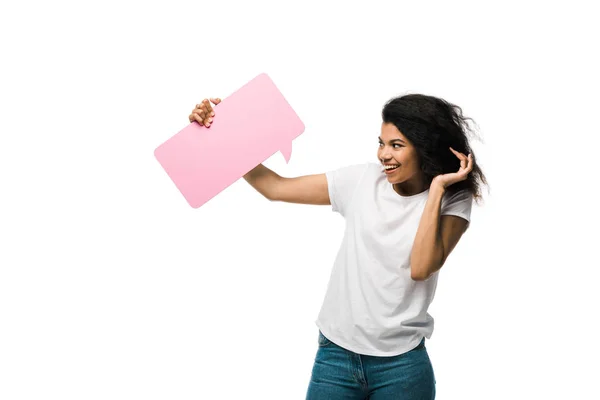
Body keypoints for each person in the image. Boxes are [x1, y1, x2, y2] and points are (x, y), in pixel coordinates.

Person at [188, 93, 488, 400]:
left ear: (425, 148)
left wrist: (437, 188)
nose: (383, 154)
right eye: (381, 143)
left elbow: (422, 267)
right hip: (336, 358)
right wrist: (224, 132)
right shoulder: (362, 181)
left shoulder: (453, 200)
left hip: (402, 368)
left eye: (396, 145)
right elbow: (275, 187)